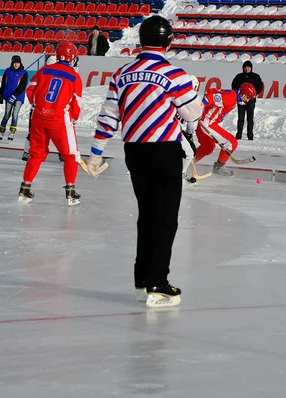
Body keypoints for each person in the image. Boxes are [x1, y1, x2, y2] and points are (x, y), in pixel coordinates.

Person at [88, 16, 203, 308]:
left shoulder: (122, 72)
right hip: (163, 149)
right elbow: (192, 114)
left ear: (141, 39)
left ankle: (142, 278)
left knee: (147, 213)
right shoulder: (174, 74)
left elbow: (109, 115)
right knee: (165, 218)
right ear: (169, 41)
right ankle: (157, 283)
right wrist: (193, 91)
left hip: (134, 150)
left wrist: (96, 151)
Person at [18, 41, 83, 207]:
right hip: (60, 121)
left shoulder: (44, 70)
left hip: (39, 119)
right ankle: (70, 192)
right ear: (72, 57)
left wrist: (37, 106)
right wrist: (73, 118)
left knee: (36, 154)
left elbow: (30, 90)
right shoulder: (75, 77)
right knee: (71, 155)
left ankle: (25, 188)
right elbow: (76, 104)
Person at [194, 83, 257, 177]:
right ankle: (219, 167)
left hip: (205, 122)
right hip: (207, 123)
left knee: (208, 147)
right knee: (232, 143)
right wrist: (197, 110)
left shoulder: (232, 95)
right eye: (248, 97)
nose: (247, 101)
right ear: (243, 94)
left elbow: (211, 92)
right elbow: (210, 97)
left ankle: (185, 163)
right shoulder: (231, 97)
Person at [0, 55, 28, 141]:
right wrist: (1, 95)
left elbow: (22, 86)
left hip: (18, 97)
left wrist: (14, 96)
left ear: (20, 63)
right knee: (7, 114)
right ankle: (1, 130)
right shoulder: (7, 71)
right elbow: (3, 83)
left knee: (15, 114)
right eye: (15, 62)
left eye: (17, 62)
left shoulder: (24, 73)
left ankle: (12, 132)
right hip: (8, 96)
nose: (16, 64)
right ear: (12, 62)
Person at [231, 61, 263, 140]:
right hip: (241, 100)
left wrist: (254, 94)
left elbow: (260, 87)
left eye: (248, 67)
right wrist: (239, 94)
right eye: (245, 67)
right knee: (240, 118)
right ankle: (239, 134)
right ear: (243, 68)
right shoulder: (239, 76)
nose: (247, 68)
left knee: (250, 118)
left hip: (251, 101)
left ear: (251, 68)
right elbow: (233, 85)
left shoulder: (256, 77)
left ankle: (250, 135)